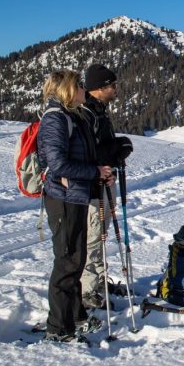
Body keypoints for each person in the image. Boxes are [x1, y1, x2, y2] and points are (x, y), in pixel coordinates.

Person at [37, 70, 112, 342]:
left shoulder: (73, 116)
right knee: (67, 264)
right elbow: (57, 163)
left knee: (76, 262)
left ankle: (76, 317)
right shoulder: (56, 119)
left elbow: (84, 156)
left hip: (76, 196)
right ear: (69, 90)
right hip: (63, 199)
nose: (84, 89)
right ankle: (58, 328)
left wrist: (101, 170)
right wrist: (94, 172)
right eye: (79, 85)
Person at [79, 64, 129, 310]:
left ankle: (98, 281)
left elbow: (103, 146)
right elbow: (88, 152)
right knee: (93, 236)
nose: (115, 89)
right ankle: (86, 289)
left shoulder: (99, 110)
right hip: (93, 186)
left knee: (102, 234)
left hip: (106, 179)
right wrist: (112, 151)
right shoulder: (87, 112)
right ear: (99, 88)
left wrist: (115, 152)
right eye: (111, 85)